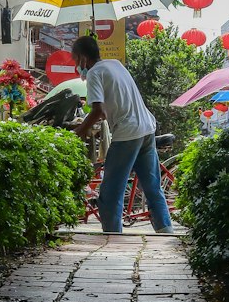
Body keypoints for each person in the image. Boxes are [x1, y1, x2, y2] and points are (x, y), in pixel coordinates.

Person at [71, 34, 173, 234]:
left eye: (75, 59)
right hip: (146, 129)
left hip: (128, 133)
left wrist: (80, 131)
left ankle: (112, 237)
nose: (76, 65)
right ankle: (166, 231)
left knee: (110, 193)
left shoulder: (94, 74)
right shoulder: (115, 64)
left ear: (83, 58)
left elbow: (98, 110)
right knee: (153, 189)